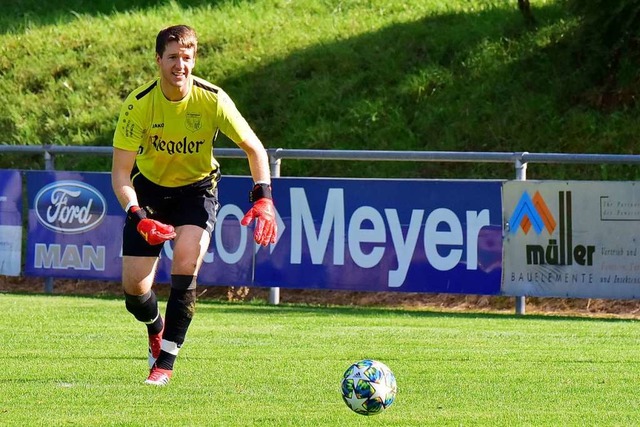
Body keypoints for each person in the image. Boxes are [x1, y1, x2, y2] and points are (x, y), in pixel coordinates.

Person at [111, 24, 277, 386]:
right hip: (150, 195)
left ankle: (165, 363)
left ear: (194, 59)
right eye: (172, 57)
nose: (180, 66)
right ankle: (156, 327)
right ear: (158, 60)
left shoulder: (212, 98)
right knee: (135, 292)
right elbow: (121, 174)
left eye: (186, 58)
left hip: (197, 191)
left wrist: (263, 198)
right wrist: (137, 216)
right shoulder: (138, 104)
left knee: (187, 260)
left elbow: (254, 148)